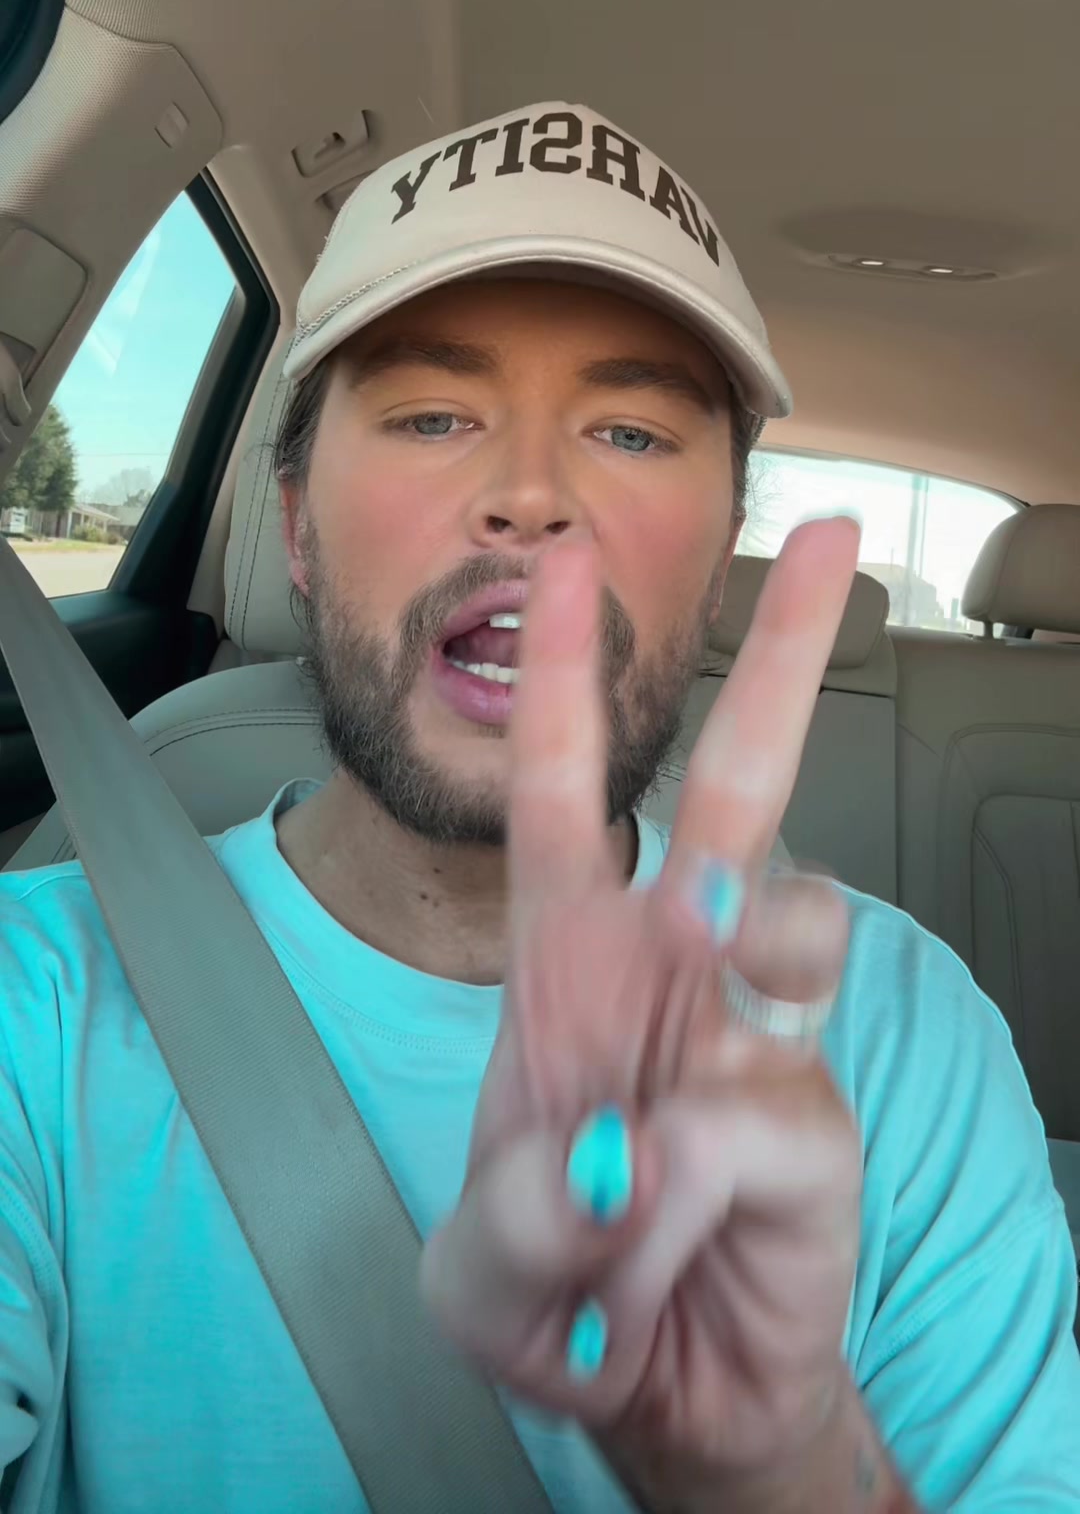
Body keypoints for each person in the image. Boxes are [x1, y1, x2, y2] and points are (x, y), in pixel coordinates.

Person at [0, 103, 1077, 1514]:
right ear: (300, 528)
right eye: (432, 416)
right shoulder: (32, 1003)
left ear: (720, 563)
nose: (529, 495)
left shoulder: (902, 1035)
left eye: (629, 430)